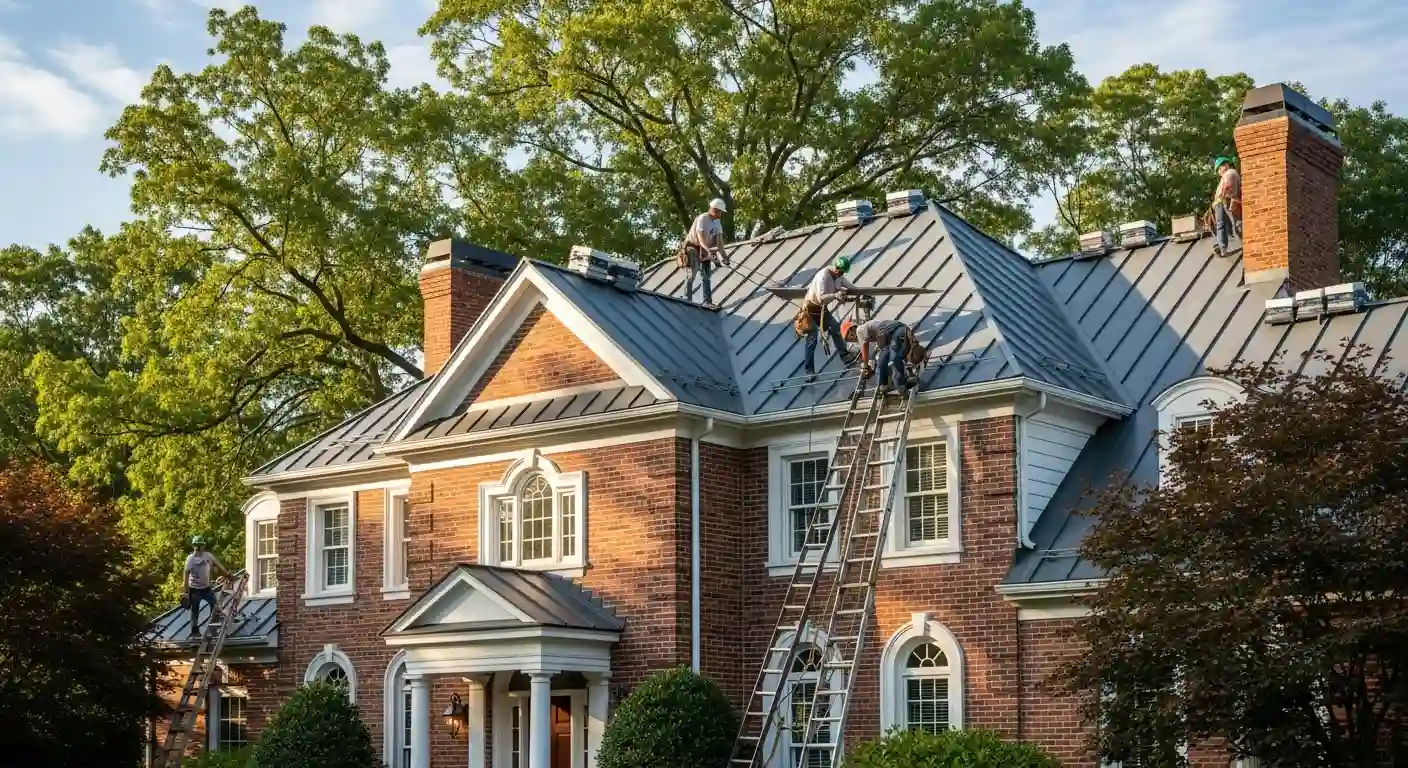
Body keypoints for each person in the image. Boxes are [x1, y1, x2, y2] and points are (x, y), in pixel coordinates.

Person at [799, 256, 860, 380]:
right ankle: (809, 371)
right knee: (812, 340)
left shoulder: (838, 276)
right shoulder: (823, 276)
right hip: (811, 308)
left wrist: (858, 293)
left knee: (836, 328)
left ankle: (845, 356)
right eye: (840, 271)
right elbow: (821, 297)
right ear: (835, 267)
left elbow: (850, 286)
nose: (841, 274)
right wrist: (836, 295)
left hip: (821, 309)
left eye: (843, 272)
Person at [842, 317, 917, 396]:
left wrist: (865, 366)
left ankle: (892, 384)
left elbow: (865, 348)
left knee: (888, 358)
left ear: (851, 331)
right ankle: (904, 378)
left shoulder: (859, 330)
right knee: (892, 357)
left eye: (849, 338)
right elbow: (877, 348)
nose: (853, 341)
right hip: (899, 329)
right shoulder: (870, 331)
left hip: (889, 331)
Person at [678, 198, 730, 306]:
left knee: (706, 274)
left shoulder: (717, 223)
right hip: (693, 246)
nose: (719, 214)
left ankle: (707, 301)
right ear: (713, 210)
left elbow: (719, 243)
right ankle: (687, 299)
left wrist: (725, 257)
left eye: (720, 212)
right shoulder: (703, 218)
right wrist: (709, 252)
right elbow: (700, 240)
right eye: (718, 212)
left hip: (705, 248)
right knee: (693, 271)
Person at [185, 535, 228, 639]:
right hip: (194, 589)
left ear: (203, 546)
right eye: (197, 546)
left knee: (215, 606)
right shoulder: (190, 559)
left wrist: (228, 575)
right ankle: (195, 632)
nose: (199, 548)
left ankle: (213, 629)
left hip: (206, 588)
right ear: (194, 546)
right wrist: (186, 593)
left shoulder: (208, 556)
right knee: (195, 610)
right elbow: (185, 577)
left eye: (200, 546)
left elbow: (219, 566)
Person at [1208, 156, 1242, 256]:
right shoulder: (1231, 174)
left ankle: (1223, 246)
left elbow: (1227, 190)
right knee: (1229, 224)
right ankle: (1222, 246)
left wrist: (1224, 202)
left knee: (1225, 225)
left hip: (1225, 202)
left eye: (1219, 168)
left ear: (1226, 165)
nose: (1219, 171)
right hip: (1225, 202)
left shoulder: (1229, 173)